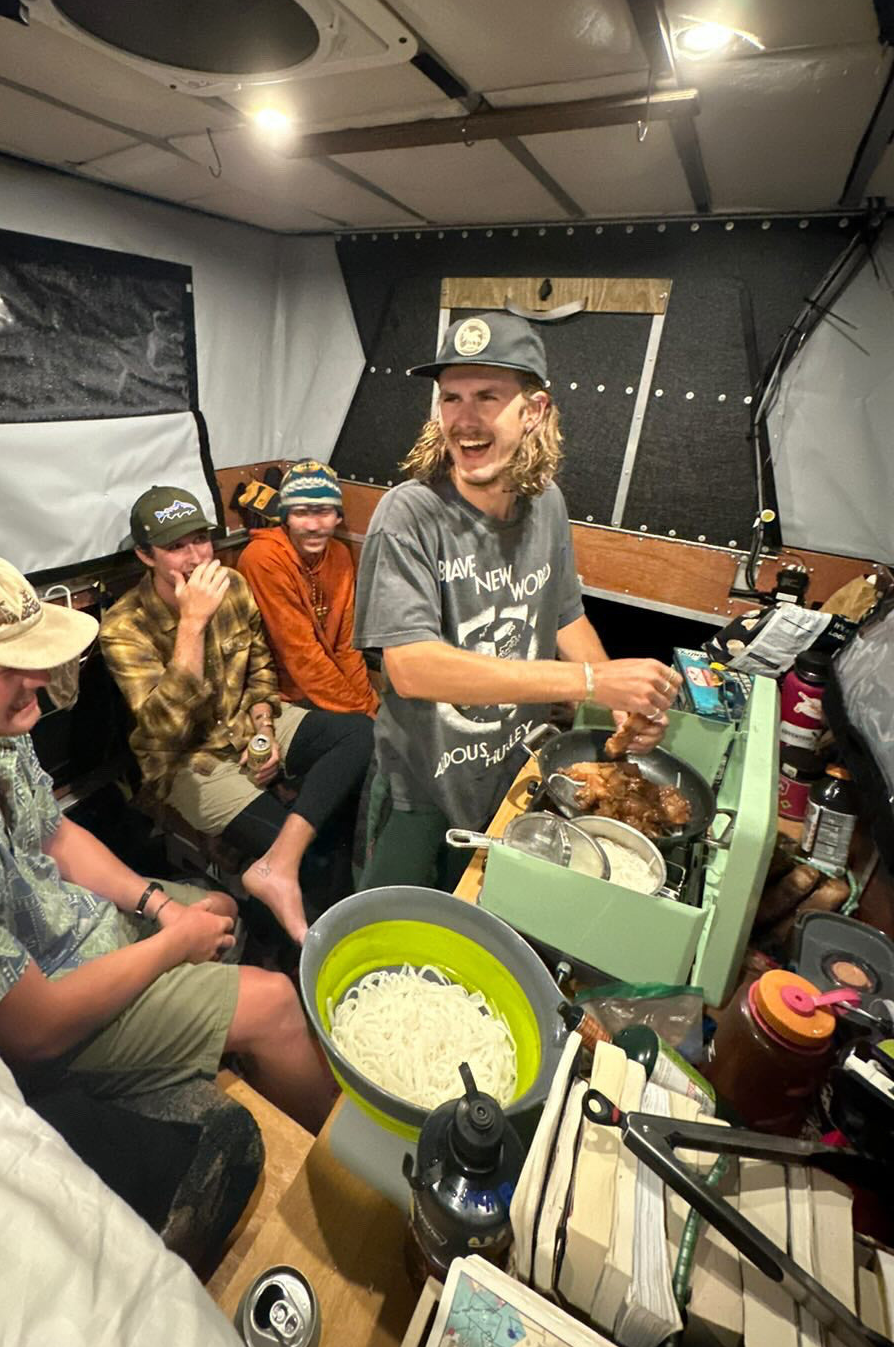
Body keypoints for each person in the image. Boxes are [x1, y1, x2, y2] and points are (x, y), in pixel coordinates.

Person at [0, 547, 336, 1141]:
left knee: (224, 912)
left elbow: (51, 834)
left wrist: (158, 905)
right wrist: (175, 942)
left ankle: (233, 1061)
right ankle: (348, 1183)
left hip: (65, 930)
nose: (41, 680)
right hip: (35, 1026)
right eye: (7, 668)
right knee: (274, 1002)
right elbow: (32, 1031)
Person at [353, 310, 682, 891]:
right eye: (451, 398)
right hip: (422, 790)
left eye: (487, 396)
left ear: (535, 411)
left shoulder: (546, 503)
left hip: (512, 773)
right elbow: (409, 667)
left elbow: (564, 612)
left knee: (471, 922)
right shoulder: (409, 515)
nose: (465, 419)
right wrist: (587, 686)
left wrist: (618, 702)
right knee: (388, 932)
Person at [100, 486, 372, 944]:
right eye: (175, 547)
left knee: (361, 736)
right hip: (188, 758)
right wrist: (192, 623)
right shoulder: (123, 628)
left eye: (201, 540)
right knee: (313, 852)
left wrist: (264, 727)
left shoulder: (233, 585)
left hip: (246, 721)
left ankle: (285, 872)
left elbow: (261, 667)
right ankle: (307, 937)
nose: (194, 557)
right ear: (147, 556)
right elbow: (165, 727)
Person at [238, 459, 378, 717]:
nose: (313, 525)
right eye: (301, 512)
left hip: (329, 687)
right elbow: (301, 657)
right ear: (286, 518)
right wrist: (361, 712)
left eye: (323, 511)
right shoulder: (263, 558)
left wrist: (370, 705)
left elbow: (346, 647)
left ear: (338, 517)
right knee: (365, 739)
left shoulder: (340, 555)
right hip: (278, 696)